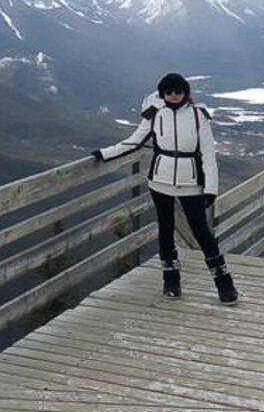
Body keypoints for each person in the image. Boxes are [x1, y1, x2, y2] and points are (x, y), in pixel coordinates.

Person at [92, 72, 238, 305]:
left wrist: (211, 188)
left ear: (185, 93)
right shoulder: (155, 114)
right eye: (168, 91)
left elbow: (209, 155)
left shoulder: (199, 116)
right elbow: (134, 141)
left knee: (202, 233)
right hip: (159, 181)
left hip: (191, 183)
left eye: (178, 91)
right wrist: (105, 154)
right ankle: (171, 281)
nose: (173, 95)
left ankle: (225, 284)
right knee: (166, 230)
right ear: (162, 93)